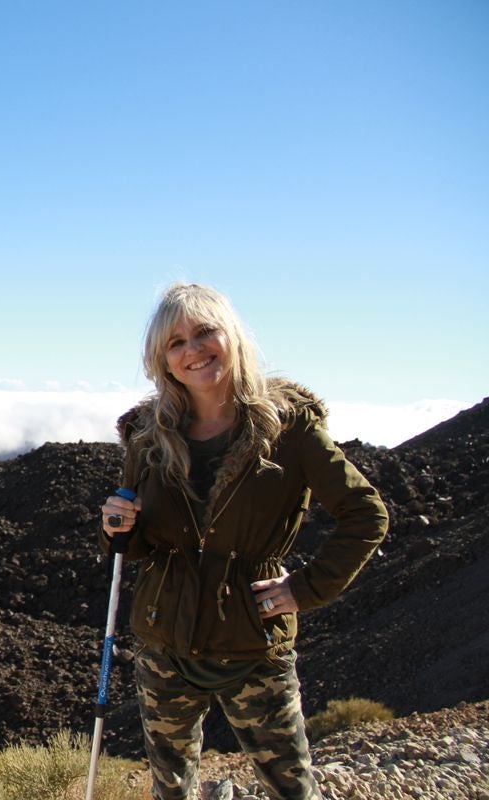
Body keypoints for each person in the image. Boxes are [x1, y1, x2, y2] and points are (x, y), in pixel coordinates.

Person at [100, 282, 388, 800]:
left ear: (232, 335)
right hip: (165, 645)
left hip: (252, 644)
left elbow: (366, 514)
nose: (194, 350)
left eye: (205, 332)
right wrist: (117, 528)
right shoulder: (149, 436)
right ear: (161, 360)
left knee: (291, 789)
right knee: (171, 791)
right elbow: (137, 547)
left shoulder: (288, 428)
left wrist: (305, 588)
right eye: (175, 342)